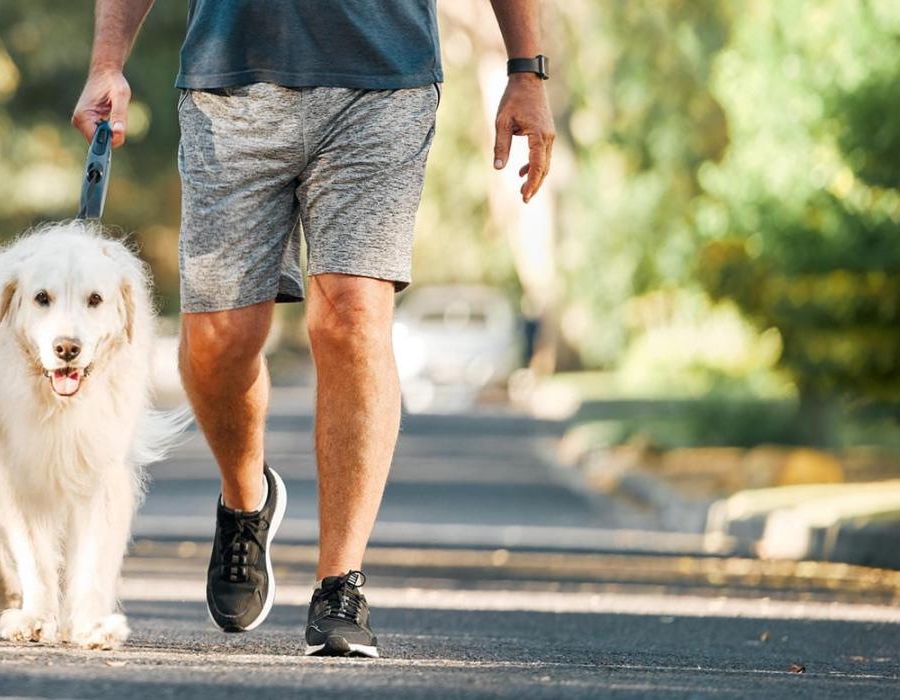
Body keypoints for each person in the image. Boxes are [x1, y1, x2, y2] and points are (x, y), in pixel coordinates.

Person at [72, 0, 554, 656]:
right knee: (219, 340)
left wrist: (526, 71)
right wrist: (107, 63)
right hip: (229, 85)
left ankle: (341, 582)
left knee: (353, 315)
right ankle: (246, 500)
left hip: (384, 82)